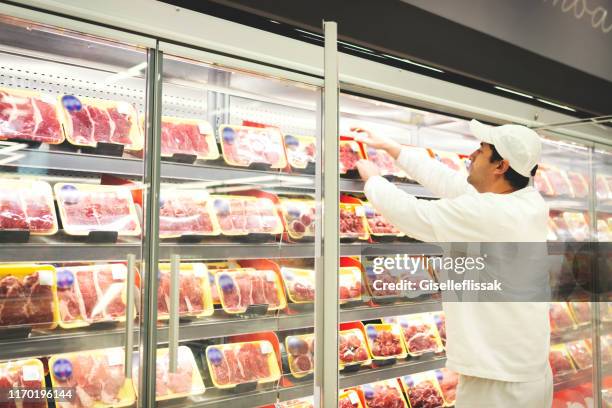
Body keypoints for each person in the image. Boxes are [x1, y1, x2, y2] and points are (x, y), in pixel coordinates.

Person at [355, 120, 552, 408]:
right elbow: (450, 183)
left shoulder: (490, 213)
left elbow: (412, 214)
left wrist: (373, 180)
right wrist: (393, 149)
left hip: (499, 381)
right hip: (523, 369)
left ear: (500, 166)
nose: (471, 155)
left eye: (481, 150)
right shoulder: (523, 201)